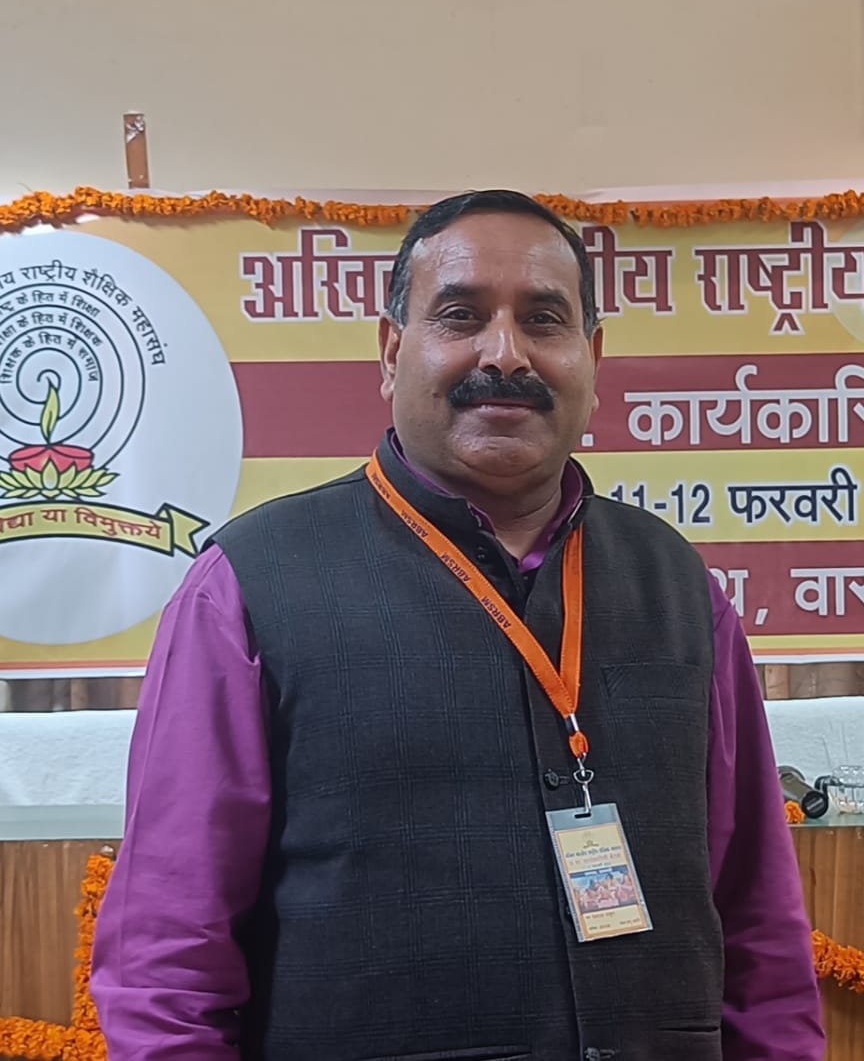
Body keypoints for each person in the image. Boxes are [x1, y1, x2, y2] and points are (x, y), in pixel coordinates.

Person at [91, 190, 826, 1061]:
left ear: (592, 360)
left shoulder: (678, 586)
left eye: (544, 320)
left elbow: (759, 924)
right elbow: (168, 959)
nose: (505, 353)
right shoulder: (250, 588)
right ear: (392, 350)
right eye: (461, 316)